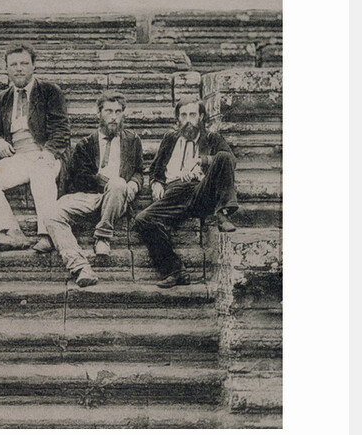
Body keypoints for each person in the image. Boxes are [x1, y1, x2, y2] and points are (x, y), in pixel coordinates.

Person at [133, 96, 238, 289]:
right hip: (173, 195)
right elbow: (155, 169)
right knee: (142, 219)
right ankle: (175, 271)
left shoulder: (212, 139)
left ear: (201, 117)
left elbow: (230, 161)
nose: (188, 120)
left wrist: (203, 161)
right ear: (177, 119)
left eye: (192, 114)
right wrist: (156, 183)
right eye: (183, 115)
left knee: (223, 156)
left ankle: (223, 213)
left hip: (200, 192)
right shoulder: (170, 138)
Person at [0, 43, 70, 252]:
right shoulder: (2, 97)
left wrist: (48, 153)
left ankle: (48, 234)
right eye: (14, 64)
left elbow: (61, 130)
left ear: (34, 66)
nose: (19, 68)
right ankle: (12, 233)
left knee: (41, 172)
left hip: (46, 154)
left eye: (24, 63)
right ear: (6, 68)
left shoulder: (49, 91)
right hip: (18, 158)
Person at [45, 91, 144, 287]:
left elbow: (139, 171)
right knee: (51, 214)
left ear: (123, 114)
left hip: (117, 196)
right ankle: (80, 267)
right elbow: (82, 178)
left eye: (118, 111)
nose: (113, 117)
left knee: (118, 184)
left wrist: (134, 183)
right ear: (98, 114)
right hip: (90, 196)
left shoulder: (133, 141)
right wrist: (104, 181)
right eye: (108, 111)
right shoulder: (85, 144)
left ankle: (102, 237)